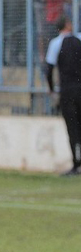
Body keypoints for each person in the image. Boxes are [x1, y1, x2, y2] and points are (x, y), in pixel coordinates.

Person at [45, 16, 81, 176]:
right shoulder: (79, 39)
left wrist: (52, 89)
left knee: (73, 128)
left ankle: (77, 163)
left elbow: (49, 69)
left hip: (67, 92)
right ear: (67, 25)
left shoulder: (55, 44)